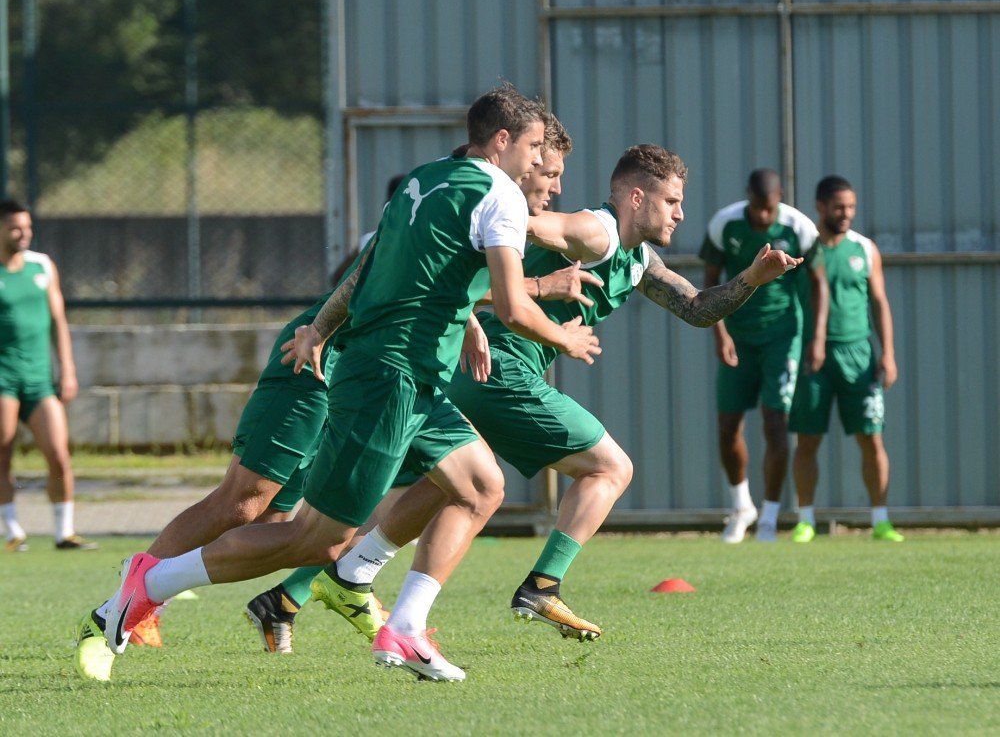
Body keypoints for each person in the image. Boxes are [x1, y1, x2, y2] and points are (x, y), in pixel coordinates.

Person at [79, 84, 601, 684]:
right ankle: (143, 587)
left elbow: (367, 272)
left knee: (481, 485)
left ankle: (403, 631)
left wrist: (321, 329)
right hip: (390, 377)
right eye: (535, 147)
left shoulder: (424, 178)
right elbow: (511, 306)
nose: (540, 163)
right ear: (502, 141)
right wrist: (564, 339)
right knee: (315, 540)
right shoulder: (501, 196)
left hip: (414, 378)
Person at [325, 141, 804, 643]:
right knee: (611, 468)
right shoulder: (595, 231)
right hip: (500, 369)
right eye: (671, 201)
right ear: (637, 198)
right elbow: (529, 225)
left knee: (447, 489)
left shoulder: (638, 258)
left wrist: (752, 277)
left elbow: (699, 309)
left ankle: (326, 581)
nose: (681, 214)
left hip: (474, 370)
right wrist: (472, 214)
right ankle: (542, 585)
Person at [701, 169, 829, 543]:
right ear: (747, 199)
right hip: (737, 336)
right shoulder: (725, 223)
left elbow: (818, 284)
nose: (761, 216)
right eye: (756, 208)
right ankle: (742, 505)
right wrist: (718, 331)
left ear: (780, 199)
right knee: (727, 426)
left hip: (782, 336)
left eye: (768, 209)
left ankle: (770, 518)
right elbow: (709, 281)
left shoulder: (798, 226)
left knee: (775, 423)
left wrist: (816, 337)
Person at [789, 176, 902, 543]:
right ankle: (805, 520)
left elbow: (880, 302)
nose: (847, 214)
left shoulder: (865, 249)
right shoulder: (805, 249)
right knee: (807, 440)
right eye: (839, 207)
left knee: (872, 439)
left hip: (859, 355)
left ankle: (881, 520)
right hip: (813, 356)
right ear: (820, 207)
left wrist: (888, 354)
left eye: (851, 207)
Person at [0, 199, 95, 553]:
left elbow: (58, 320)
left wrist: (67, 369)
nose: (23, 234)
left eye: (27, 227)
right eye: (14, 228)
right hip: (3, 379)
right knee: (2, 452)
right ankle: (12, 531)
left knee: (58, 453)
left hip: (39, 380)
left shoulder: (42, 266)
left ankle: (64, 532)